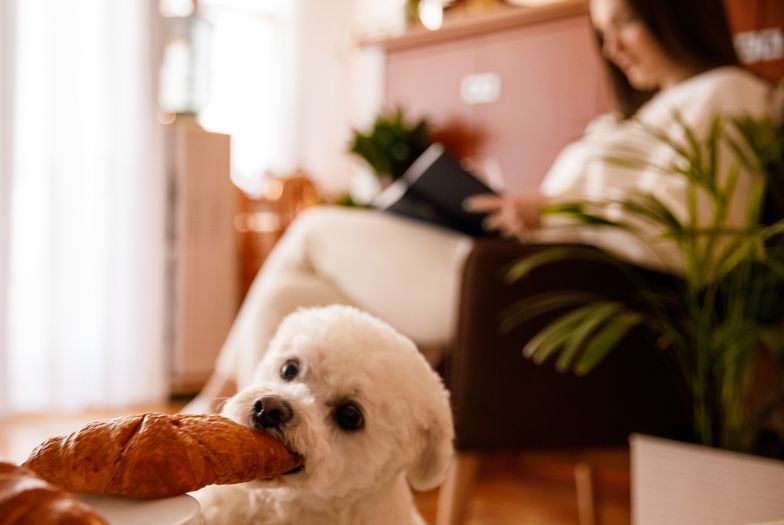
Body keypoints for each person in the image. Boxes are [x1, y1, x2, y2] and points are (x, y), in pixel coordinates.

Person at [185, 0, 781, 414]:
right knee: (293, 301)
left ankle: (213, 403)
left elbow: (698, 238)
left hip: (554, 299)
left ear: (677, 13)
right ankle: (253, 469)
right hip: (515, 273)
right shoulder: (639, 116)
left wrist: (550, 213)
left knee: (314, 229)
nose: (614, 45)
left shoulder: (729, 96)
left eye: (627, 21)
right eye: (603, 30)